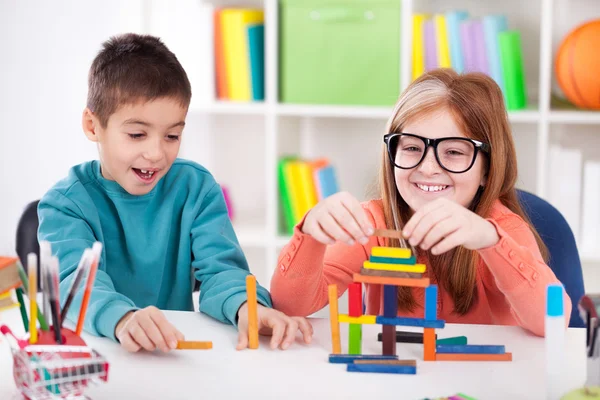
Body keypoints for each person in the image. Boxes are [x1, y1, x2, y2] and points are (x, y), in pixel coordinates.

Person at [38, 33, 312, 352]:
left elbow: (222, 270)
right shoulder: (64, 204)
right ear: (92, 125)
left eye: (172, 135)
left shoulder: (196, 189)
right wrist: (123, 318)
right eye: (137, 134)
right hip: (100, 353)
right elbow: (74, 282)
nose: (156, 153)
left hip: (175, 353)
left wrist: (248, 308)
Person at [270, 69, 571, 336]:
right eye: (412, 147)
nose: (428, 167)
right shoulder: (372, 225)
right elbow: (290, 306)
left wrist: (490, 241)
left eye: (454, 152)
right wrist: (310, 234)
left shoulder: (501, 230)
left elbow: (552, 323)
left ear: (487, 169)